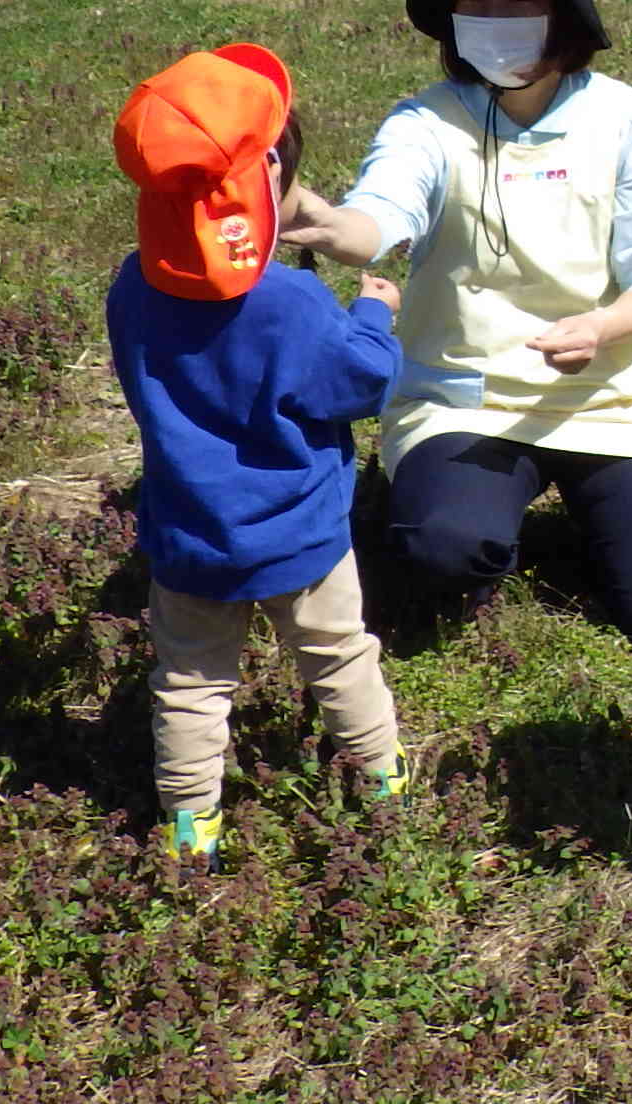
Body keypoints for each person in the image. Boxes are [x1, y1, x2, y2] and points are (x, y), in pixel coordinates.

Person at [282, 0, 632, 649]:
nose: (494, 16)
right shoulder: (424, 122)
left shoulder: (623, 117)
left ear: (565, 13)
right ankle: (484, 517)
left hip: (613, 397)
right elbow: (378, 217)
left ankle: (598, 524)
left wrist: (604, 325)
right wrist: (323, 221)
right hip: (465, 397)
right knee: (440, 555)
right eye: (475, 0)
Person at [107, 43, 406, 869]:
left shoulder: (132, 286)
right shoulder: (293, 301)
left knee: (192, 683)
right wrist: (375, 314)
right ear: (269, 180)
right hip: (299, 536)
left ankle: (190, 825)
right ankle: (383, 778)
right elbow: (357, 385)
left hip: (188, 535)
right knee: (338, 655)